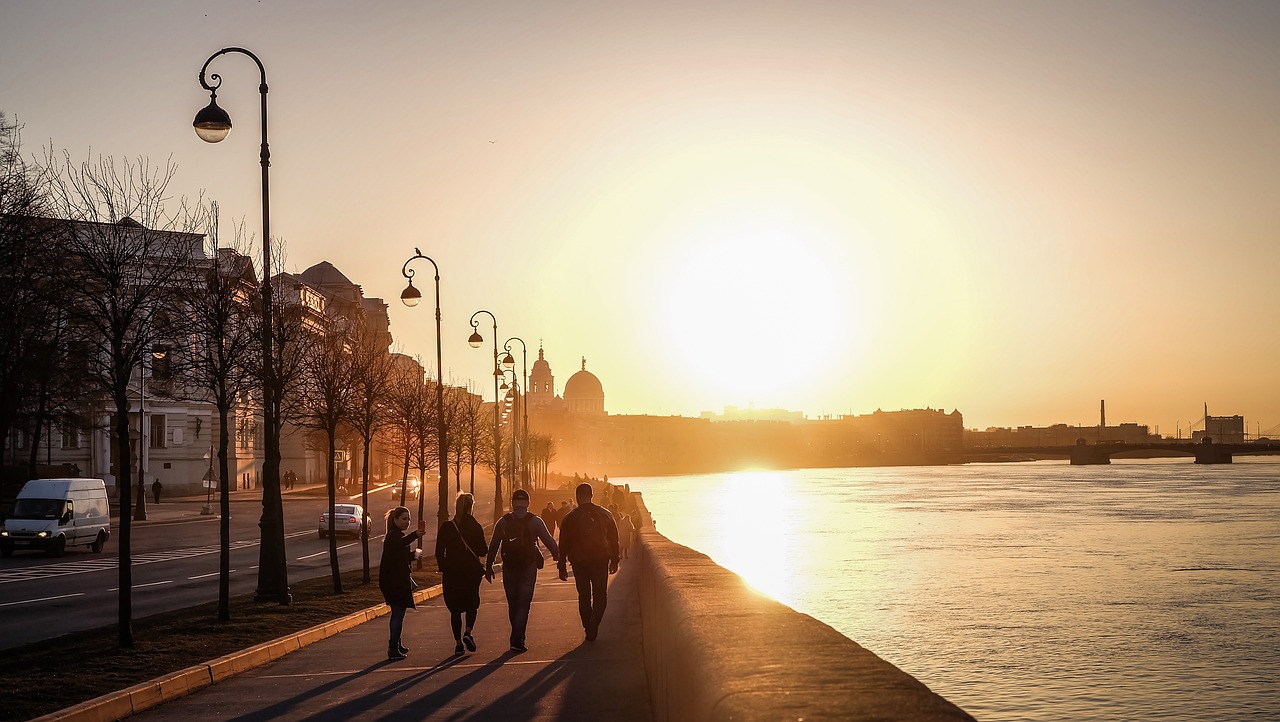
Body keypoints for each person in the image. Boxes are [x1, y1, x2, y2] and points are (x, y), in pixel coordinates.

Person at [485, 488, 559, 652]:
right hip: (528, 567)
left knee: (513, 603)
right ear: (528, 503)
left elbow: (494, 545)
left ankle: (516, 635)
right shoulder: (535, 521)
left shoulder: (503, 522)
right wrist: (558, 557)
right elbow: (550, 541)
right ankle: (517, 638)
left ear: (512, 503)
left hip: (509, 567)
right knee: (524, 603)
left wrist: (488, 566)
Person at [557, 483, 620, 641]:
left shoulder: (570, 518)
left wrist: (562, 567)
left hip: (579, 562)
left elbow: (563, 544)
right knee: (601, 595)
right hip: (600, 560)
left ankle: (588, 627)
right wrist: (615, 560)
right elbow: (614, 539)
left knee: (583, 596)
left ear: (577, 497)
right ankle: (594, 624)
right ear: (592, 495)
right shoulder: (605, 514)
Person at [435, 492, 488, 656]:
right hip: (471, 572)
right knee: (472, 603)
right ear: (471, 507)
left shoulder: (447, 527)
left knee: (455, 609)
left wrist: (444, 567)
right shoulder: (475, 526)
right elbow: (482, 550)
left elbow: (439, 551)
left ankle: (458, 644)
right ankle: (468, 632)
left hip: (452, 573)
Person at [379, 506, 426, 660]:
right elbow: (401, 544)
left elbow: (402, 556)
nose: (407, 522)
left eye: (409, 519)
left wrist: (414, 555)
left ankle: (396, 643)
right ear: (395, 520)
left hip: (397, 580)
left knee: (399, 613)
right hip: (393, 582)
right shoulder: (393, 536)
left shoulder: (398, 536)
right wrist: (415, 534)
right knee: (398, 614)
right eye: (404, 519)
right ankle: (393, 648)